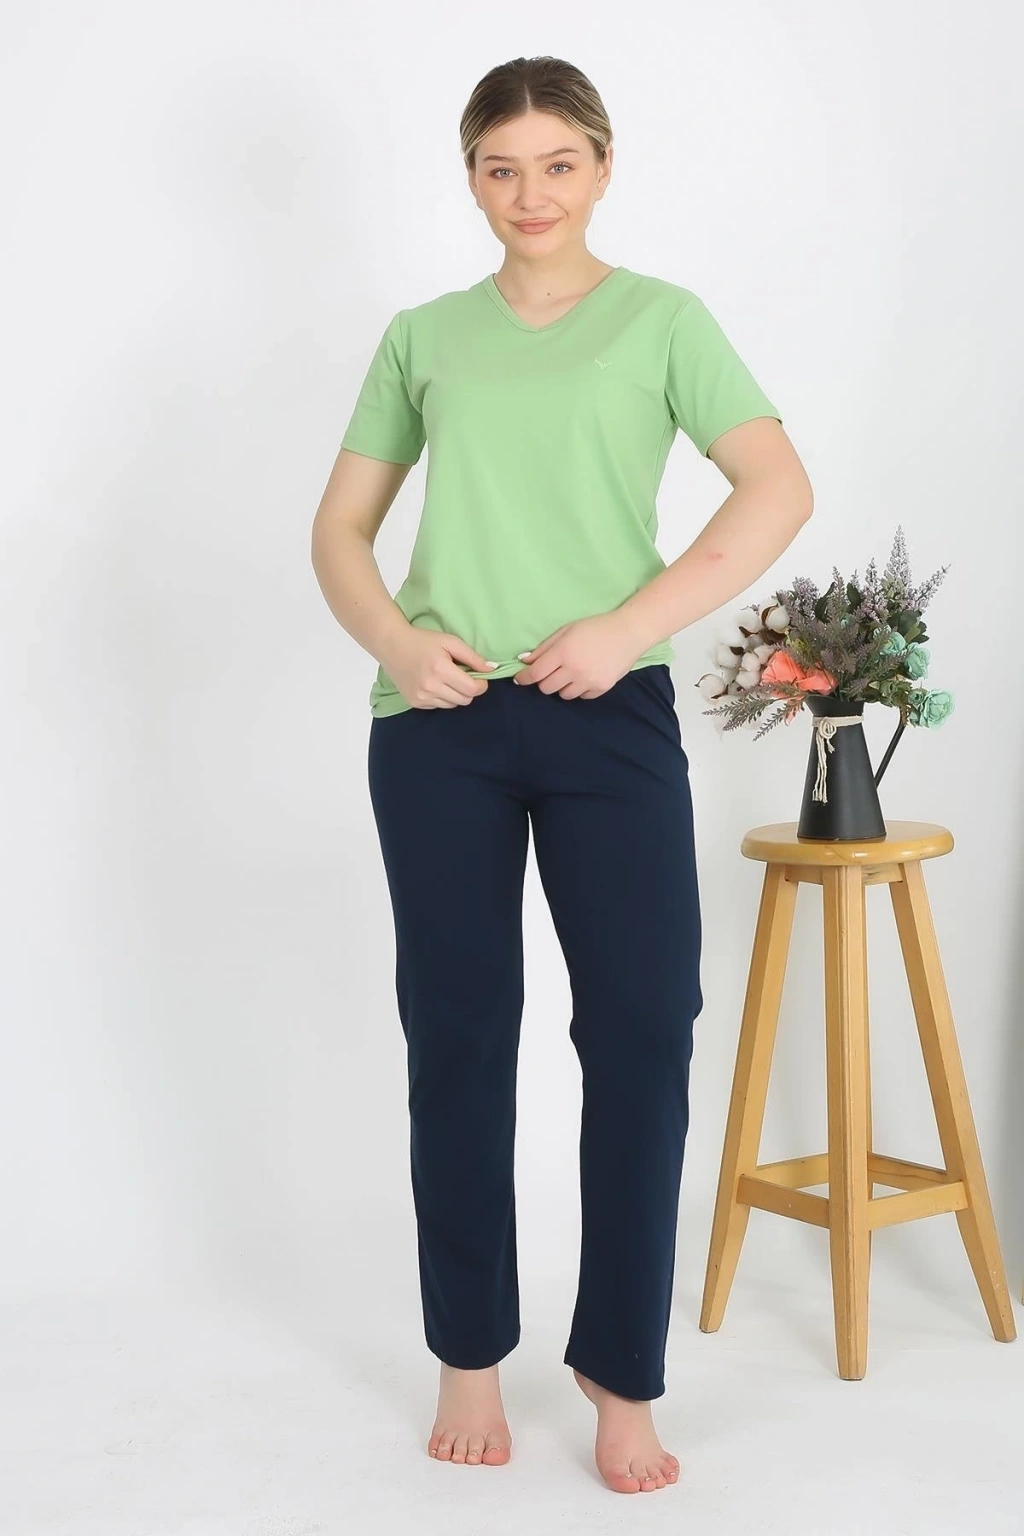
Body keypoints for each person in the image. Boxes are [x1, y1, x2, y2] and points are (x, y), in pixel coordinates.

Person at [311, 55, 813, 1495]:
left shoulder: (663, 320)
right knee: (460, 1033)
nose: (530, 194)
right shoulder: (424, 336)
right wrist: (398, 641)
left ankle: (619, 1370)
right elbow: (340, 531)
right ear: (471, 177)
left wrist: (625, 628)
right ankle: (469, 1354)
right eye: (501, 167)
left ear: (601, 167)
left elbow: (778, 485)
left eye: (557, 164)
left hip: (608, 714)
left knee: (645, 1029)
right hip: (442, 722)